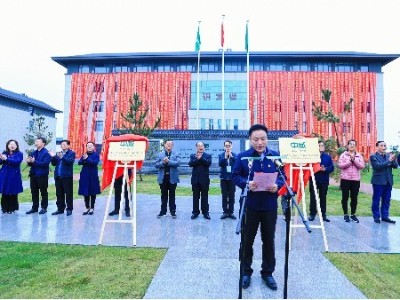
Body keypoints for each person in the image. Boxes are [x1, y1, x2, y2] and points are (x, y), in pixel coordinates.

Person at [232, 124, 285, 290]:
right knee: (247, 241)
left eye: (263, 139)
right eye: (256, 139)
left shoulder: (275, 156)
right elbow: (235, 176)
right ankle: (245, 272)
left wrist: (277, 185)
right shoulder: (242, 157)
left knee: (268, 240)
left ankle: (267, 273)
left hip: (269, 206)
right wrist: (246, 184)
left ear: (267, 139)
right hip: (250, 206)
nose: (260, 142)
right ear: (250, 139)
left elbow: (284, 177)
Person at [337, 139, 366, 223]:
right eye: (350, 144)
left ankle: (353, 214)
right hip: (345, 179)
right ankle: (345, 214)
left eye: (353, 144)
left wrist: (355, 160)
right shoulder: (343, 155)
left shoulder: (359, 156)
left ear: (355, 146)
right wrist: (350, 161)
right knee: (345, 197)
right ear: (347, 145)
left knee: (354, 198)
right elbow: (341, 165)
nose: (352, 145)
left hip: (355, 180)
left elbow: (362, 166)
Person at [370, 141, 398, 224]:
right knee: (376, 200)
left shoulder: (388, 156)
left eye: (385, 145)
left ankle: (385, 216)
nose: (383, 147)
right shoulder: (373, 156)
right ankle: (376, 217)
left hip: (388, 182)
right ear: (377, 147)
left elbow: (396, 166)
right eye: (381, 145)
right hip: (378, 182)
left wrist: (393, 159)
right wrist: (389, 161)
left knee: (386, 200)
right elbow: (377, 166)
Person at [308, 140, 334, 222]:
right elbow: (308, 167)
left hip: (324, 180)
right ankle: (312, 214)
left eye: (322, 145)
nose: (321, 147)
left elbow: (332, 167)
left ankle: (323, 215)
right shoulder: (312, 156)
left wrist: (325, 169)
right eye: (319, 145)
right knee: (313, 197)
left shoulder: (327, 157)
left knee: (323, 197)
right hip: (314, 179)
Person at [49, 139, 76, 216]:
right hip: (58, 176)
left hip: (67, 177)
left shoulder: (71, 153)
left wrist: (62, 157)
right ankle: (60, 209)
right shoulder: (59, 153)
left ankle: (69, 209)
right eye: (61, 144)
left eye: (64, 144)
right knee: (59, 194)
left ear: (68, 145)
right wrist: (53, 157)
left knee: (68, 193)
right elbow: (54, 164)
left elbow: (69, 162)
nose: (62, 146)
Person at [155, 139, 180, 218]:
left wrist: (168, 162)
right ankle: (163, 211)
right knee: (164, 195)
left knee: (172, 195)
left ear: (172, 145)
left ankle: (173, 212)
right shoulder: (160, 154)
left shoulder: (176, 153)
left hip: (172, 177)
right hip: (163, 178)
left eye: (171, 144)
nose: (169, 145)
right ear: (164, 145)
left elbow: (178, 163)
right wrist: (163, 163)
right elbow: (156, 165)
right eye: (168, 144)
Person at [26, 137, 51, 214]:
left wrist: (34, 161)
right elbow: (31, 164)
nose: (36, 142)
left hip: (42, 175)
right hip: (33, 174)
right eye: (35, 141)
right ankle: (35, 207)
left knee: (43, 191)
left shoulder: (46, 153)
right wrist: (29, 161)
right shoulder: (34, 152)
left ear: (43, 143)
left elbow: (45, 164)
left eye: (37, 141)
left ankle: (44, 207)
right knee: (34, 192)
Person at [189, 141, 212, 220]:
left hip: (204, 180)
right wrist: (197, 158)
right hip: (195, 180)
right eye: (199, 146)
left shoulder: (208, 155)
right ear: (196, 147)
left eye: (202, 145)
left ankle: (205, 212)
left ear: (204, 147)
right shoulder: (193, 155)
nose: (200, 147)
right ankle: (195, 212)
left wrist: (201, 158)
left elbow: (208, 164)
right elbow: (190, 164)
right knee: (195, 197)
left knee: (204, 197)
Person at [0, 139, 23, 214]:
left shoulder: (19, 153)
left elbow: (16, 162)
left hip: (14, 175)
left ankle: (12, 208)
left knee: (12, 191)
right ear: (8, 145)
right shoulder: (4, 153)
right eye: (10, 144)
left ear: (16, 146)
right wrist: (1, 158)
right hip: (4, 175)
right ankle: (4, 207)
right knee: (5, 191)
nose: (12, 146)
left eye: (14, 144)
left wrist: (7, 159)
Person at [78, 141, 101, 215]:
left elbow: (95, 163)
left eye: (91, 146)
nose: (89, 147)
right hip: (84, 175)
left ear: (94, 147)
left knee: (93, 191)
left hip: (92, 175)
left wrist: (87, 159)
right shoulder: (84, 154)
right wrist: (85, 159)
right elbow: (79, 162)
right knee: (85, 192)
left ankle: (92, 208)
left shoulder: (96, 155)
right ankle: (87, 207)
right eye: (88, 146)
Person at [218, 139, 237, 219]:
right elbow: (220, 164)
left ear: (231, 146)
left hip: (232, 179)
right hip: (224, 178)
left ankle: (231, 212)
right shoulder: (221, 155)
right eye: (226, 146)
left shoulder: (235, 155)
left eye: (229, 146)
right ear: (224, 147)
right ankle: (225, 212)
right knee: (224, 196)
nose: (227, 147)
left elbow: (237, 164)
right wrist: (225, 157)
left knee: (232, 196)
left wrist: (231, 157)